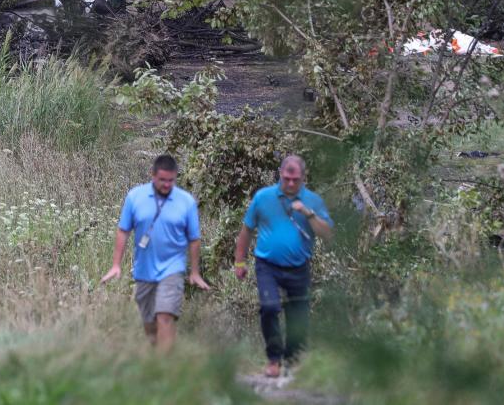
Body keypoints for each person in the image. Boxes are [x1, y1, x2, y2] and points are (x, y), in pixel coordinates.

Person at [233, 155, 333, 377]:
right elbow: (246, 230)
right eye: (286, 178)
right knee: (269, 307)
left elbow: (328, 234)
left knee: (299, 316)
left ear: (303, 178)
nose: (290, 183)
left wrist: (309, 213)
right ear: (280, 175)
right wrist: (240, 262)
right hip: (267, 264)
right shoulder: (263, 197)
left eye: (295, 180)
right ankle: (274, 359)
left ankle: (292, 359)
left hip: (299, 266)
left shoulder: (313, 200)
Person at [101, 154, 210, 350]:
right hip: (144, 269)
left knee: (165, 316)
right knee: (150, 324)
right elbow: (123, 230)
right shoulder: (135, 197)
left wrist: (194, 272)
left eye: (171, 180)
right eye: (162, 180)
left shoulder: (186, 202)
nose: (167, 185)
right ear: (152, 175)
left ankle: (165, 372)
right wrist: (116, 265)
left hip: (173, 268)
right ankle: (157, 357)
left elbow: (194, 239)